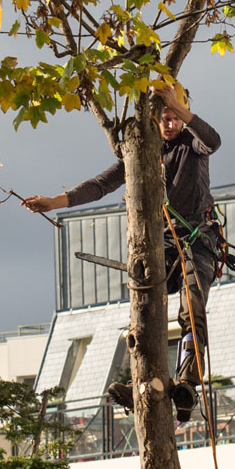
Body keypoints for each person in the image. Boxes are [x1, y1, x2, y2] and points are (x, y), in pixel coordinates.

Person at [22, 85, 222, 423]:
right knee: (145, 307)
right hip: (161, 244)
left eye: (175, 117)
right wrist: (55, 202)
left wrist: (176, 105)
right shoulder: (142, 154)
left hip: (197, 240)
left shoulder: (193, 145)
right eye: (164, 118)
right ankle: (145, 381)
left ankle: (187, 384)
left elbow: (213, 140)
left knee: (192, 309)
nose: (170, 124)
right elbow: (101, 184)